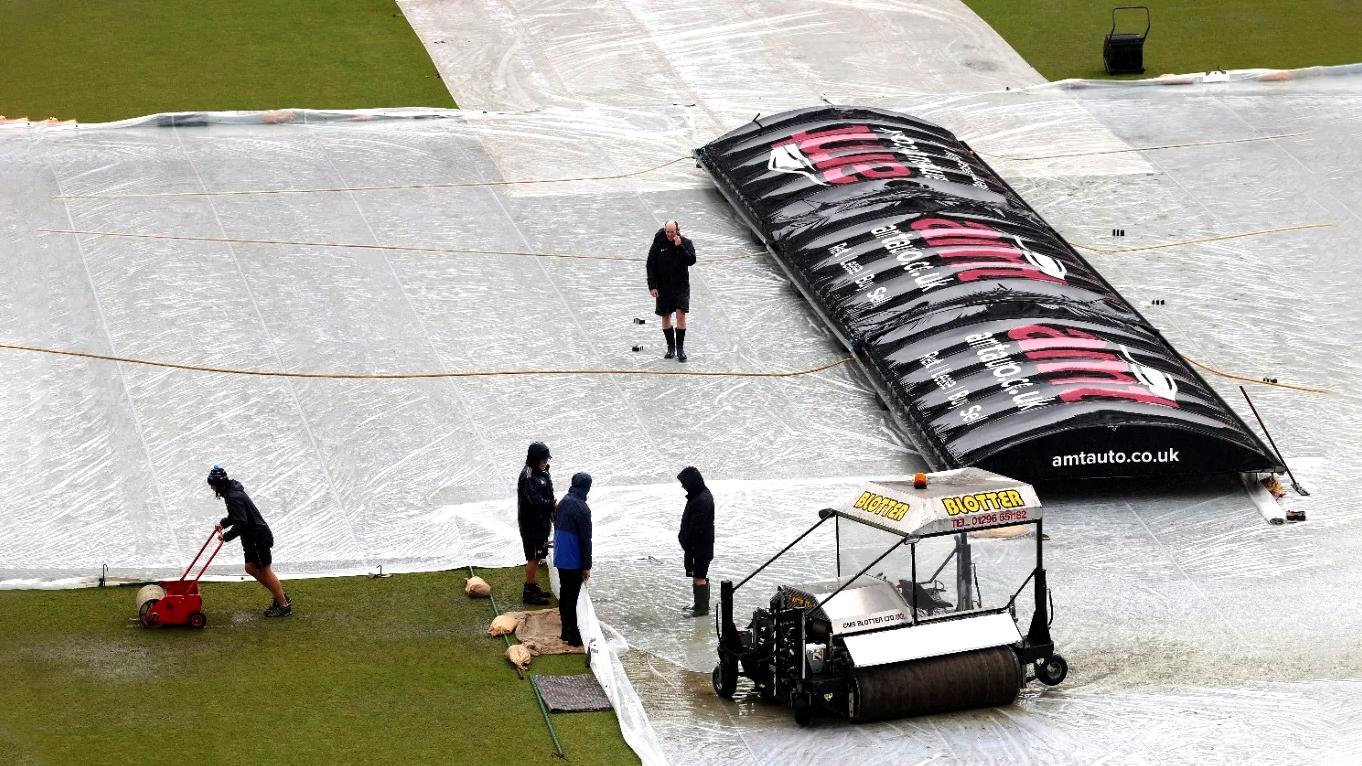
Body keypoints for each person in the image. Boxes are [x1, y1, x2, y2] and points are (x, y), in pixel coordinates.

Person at [207, 465, 291, 617]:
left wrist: (226, 537)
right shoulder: (231, 492)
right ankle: (280, 595)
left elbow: (242, 522)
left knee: (265, 571)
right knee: (250, 568)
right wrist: (223, 524)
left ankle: (283, 605)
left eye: (212, 484)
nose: (212, 488)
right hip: (251, 538)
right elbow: (237, 516)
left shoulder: (233, 496)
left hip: (258, 537)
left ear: (219, 484)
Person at [646, 219, 697, 362]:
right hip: (663, 286)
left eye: (672, 232)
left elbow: (691, 261)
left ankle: (680, 349)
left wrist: (680, 247)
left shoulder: (686, 243)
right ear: (665, 230)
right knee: (666, 315)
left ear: (677, 230)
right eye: (667, 231)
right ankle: (671, 347)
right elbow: (650, 264)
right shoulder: (658, 244)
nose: (669, 234)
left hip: (680, 285)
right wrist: (652, 286)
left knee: (681, 314)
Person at [553, 472, 593, 647]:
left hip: (560, 556)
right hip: (573, 559)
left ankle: (564, 631)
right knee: (572, 596)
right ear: (587, 488)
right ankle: (573, 635)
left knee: (564, 593)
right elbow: (586, 540)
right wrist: (586, 566)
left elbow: (555, 522)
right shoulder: (583, 509)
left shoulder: (563, 501)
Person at [517, 442, 555, 606]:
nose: (545, 461)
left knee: (539, 554)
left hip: (540, 523)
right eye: (543, 459)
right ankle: (529, 591)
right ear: (535, 458)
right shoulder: (529, 476)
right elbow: (535, 501)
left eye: (546, 459)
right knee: (533, 557)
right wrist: (551, 505)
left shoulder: (541, 472)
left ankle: (532, 586)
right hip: (532, 525)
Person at [677, 466, 714, 618]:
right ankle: (699, 604)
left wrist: (688, 543)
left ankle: (701, 608)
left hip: (699, 546)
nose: (682, 486)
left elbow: (696, 528)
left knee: (699, 575)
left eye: (684, 483)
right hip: (698, 545)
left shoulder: (701, 500)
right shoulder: (699, 495)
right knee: (698, 574)